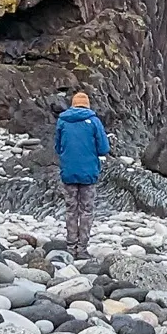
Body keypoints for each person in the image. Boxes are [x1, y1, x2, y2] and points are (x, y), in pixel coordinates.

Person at [55, 90, 110, 258]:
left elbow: (58, 148)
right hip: (88, 173)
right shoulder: (94, 122)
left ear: (73, 104)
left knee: (71, 209)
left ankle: (71, 247)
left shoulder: (62, 121)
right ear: (87, 105)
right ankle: (82, 249)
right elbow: (103, 149)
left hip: (69, 172)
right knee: (86, 210)